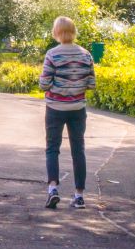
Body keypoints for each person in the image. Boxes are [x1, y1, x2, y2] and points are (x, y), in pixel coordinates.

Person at [39, 15, 96, 209]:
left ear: (56, 33)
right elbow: (91, 83)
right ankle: (79, 195)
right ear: (73, 32)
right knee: (78, 150)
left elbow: (44, 83)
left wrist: (58, 87)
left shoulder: (52, 55)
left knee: (52, 148)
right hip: (78, 108)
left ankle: (53, 189)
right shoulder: (86, 55)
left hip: (55, 107)